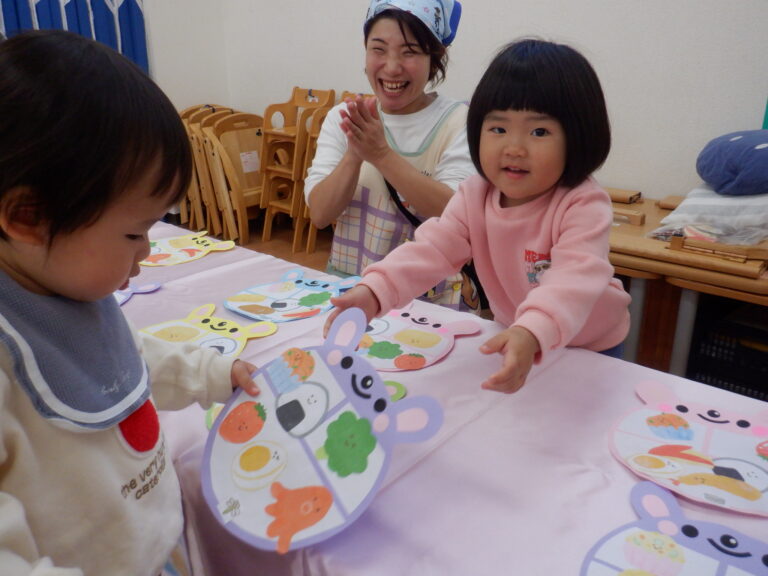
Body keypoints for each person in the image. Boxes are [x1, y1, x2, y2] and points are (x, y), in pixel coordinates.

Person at [0, 30, 259, 575]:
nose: (147, 251)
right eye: (135, 233)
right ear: (29, 218)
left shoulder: (61, 285)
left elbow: (121, 360)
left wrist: (213, 372)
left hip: (156, 548)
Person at [328, 38, 632, 394]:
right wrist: (375, 290)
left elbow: (572, 281)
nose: (514, 148)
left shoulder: (582, 203)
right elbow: (432, 250)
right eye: (498, 129)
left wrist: (530, 330)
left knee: (577, 420)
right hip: (520, 332)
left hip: (590, 345)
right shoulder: (475, 195)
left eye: (539, 131)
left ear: (578, 136)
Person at [304, 0, 482, 311]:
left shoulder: (461, 123)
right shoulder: (343, 117)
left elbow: (456, 212)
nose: (391, 67)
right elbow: (319, 213)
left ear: (435, 57)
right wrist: (354, 154)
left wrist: (381, 155)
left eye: (409, 51)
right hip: (353, 288)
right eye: (379, 49)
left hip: (432, 301)